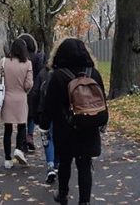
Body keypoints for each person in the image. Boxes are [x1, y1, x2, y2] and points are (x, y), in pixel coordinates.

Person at [40, 38, 106, 205]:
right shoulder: (93, 73)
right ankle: (85, 201)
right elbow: (102, 100)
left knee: (65, 162)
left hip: (65, 128)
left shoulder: (58, 76)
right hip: (88, 126)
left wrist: (45, 124)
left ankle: (63, 194)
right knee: (85, 165)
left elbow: (50, 105)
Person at [0, 39, 34, 169]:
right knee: (22, 126)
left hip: (7, 97)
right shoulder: (27, 64)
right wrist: (25, 89)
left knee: (7, 129)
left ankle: (7, 159)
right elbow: (28, 84)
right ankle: (19, 149)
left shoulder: (4, 62)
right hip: (20, 98)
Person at [30, 60, 59, 184]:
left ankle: (51, 165)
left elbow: (35, 93)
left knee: (48, 139)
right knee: (58, 138)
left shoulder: (43, 73)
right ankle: (57, 163)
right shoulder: (63, 73)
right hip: (61, 113)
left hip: (44, 111)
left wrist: (34, 114)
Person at [19, 33, 45, 154]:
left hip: (20, 90)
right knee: (31, 116)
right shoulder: (37, 57)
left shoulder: (18, 59)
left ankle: (23, 138)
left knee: (22, 116)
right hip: (33, 90)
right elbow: (40, 73)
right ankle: (29, 135)